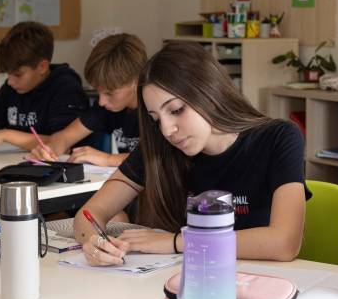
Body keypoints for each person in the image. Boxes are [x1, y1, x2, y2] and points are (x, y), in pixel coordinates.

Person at [73, 41, 310, 266]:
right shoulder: (161, 145)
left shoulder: (279, 137)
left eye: (176, 110)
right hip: (188, 280)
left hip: (260, 280)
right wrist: (93, 243)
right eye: (156, 119)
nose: (167, 130)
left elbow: (284, 243)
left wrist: (176, 242)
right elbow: (90, 213)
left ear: (209, 92)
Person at [0, 21, 88, 151]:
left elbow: (61, 143)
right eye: (8, 74)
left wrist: (5, 135)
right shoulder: (12, 88)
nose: (10, 81)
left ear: (42, 66)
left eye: (18, 75)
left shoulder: (66, 88)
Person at [31, 33, 146, 167]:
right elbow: (65, 137)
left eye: (109, 93)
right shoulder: (107, 107)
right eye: (98, 90)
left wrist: (108, 158)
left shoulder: (156, 108)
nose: (102, 101)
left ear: (136, 82)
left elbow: (160, 159)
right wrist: (50, 149)